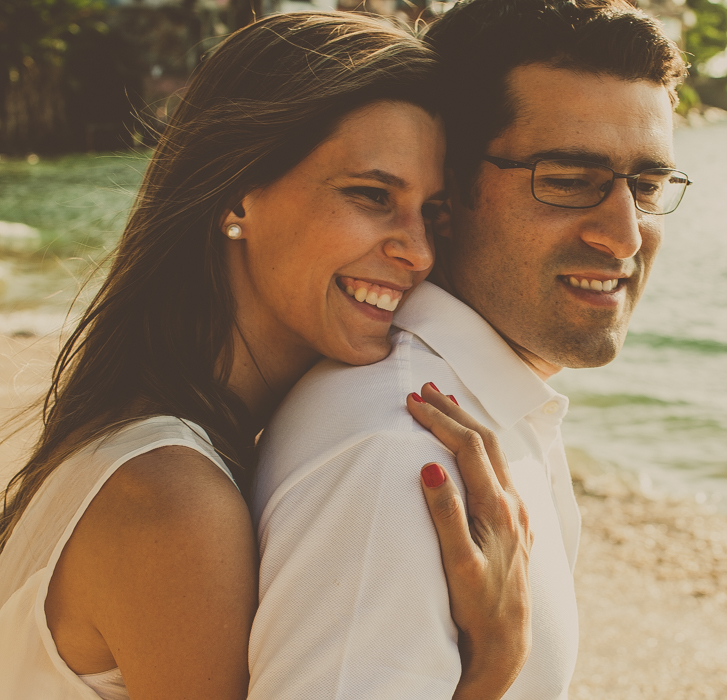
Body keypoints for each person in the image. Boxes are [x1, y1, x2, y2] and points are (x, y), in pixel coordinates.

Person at [0, 13, 531, 700]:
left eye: (432, 213)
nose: (419, 251)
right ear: (237, 195)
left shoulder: (143, 439)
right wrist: (492, 667)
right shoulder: (172, 499)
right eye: (372, 196)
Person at [247, 1, 690, 698]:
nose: (626, 235)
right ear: (447, 192)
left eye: (649, 186)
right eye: (569, 180)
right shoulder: (399, 457)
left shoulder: (481, 408)